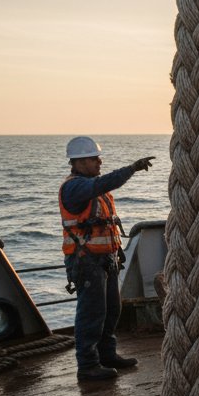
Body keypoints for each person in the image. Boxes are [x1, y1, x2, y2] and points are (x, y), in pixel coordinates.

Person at [60, 136, 155, 381]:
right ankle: (88, 365)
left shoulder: (91, 186)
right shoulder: (75, 188)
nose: (99, 162)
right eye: (94, 158)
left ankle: (107, 355)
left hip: (106, 259)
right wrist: (132, 169)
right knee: (91, 313)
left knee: (112, 309)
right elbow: (104, 183)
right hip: (86, 260)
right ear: (79, 162)